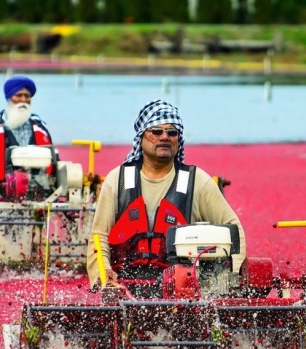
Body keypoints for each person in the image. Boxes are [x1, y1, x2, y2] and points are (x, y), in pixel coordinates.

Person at [87, 99, 246, 293]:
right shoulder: (117, 180)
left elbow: (233, 228)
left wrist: (236, 277)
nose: (165, 137)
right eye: (156, 131)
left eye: (172, 133)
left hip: (182, 288)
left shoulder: (198, 182)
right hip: (124, 285)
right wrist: (104, 274)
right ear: (141, 137)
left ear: (178, 139)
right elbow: (99, 236)